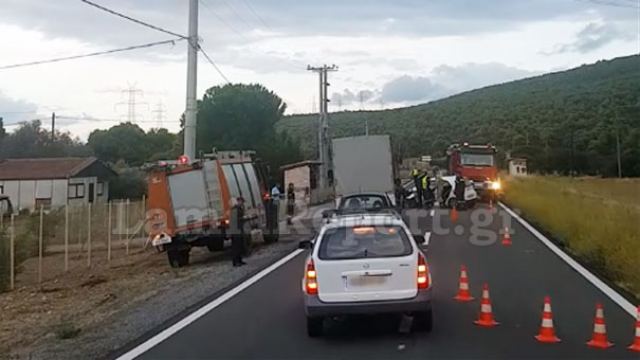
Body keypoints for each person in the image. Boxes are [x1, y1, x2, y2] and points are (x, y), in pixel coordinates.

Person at [230, 197, 246, 267]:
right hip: (235, 230)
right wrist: (242, 218)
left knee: (240, 245)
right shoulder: (235, 209)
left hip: (239, 229)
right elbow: (234, 220)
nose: (242, 203)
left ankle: (239, 260)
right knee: (236, 247)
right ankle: (235, 262)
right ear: (238, 201)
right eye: (241, 202)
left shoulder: (240, 209)